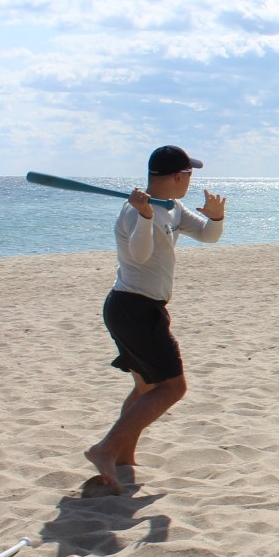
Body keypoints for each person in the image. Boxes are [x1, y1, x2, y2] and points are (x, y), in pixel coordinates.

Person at [85, 145, 227, 488]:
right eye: (190, 175)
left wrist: (216, 216)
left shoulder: (172, 208)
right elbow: (139, 253)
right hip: (133, 308)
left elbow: (209, 235)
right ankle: (105, 449)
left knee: (145, 386)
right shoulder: (137, 211)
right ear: (178, 176)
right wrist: (146, 217)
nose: (191, 181)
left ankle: (122, 456)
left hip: (139, 308)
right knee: (172, 388)